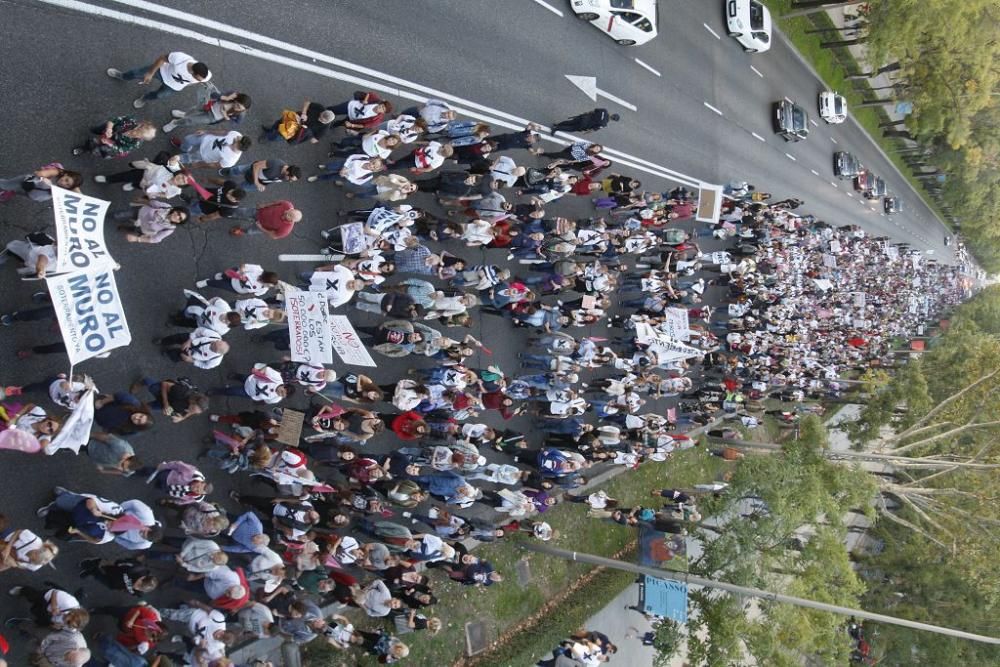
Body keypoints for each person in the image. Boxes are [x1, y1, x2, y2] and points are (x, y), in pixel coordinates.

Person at [107, 51, 212, 108]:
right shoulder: (180, 58)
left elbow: (194, 82)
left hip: (174, 86)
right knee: (136, 73)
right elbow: (162, 58)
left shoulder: (205, 76)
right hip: (162, 72)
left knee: (159, 95)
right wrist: (150, 73)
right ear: (192, 72)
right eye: (196, 78)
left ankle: (144, 98)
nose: (198, 80)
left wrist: (184, 85)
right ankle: (122, 76)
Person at [163, 89, 252, 132]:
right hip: (209, 105)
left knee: (191, 120)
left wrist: (225, 115)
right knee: (193, 110)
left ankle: (174, 123)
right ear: (236, 99)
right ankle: (183, 114)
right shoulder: (232, 95)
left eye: (240, 108)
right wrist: (226, 97)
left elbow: (235, 123)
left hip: (212, 117)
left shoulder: (241, 114)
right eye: (237, 104)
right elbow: (213, 95)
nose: (237, 108)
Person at [72, 116, 156, 158]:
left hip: (113, 142)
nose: (135, 133)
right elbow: (114, 120)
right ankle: (96, 131)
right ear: (140, 124)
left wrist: (110, 144)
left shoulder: (135, 143)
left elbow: (122, 149)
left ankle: (84, 149)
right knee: (98, 130)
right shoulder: (130, 121)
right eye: (138, 129)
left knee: (95, 145)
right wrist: (109, 129)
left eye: (139, 135)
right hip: (111, 130)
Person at [0, 163, 82, 202]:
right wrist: (44, 178)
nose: (64, 183)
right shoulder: (57, 172)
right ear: (66, 174)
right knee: (7, 185)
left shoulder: (70, 186)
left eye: (67, 185)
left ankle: (12, 192)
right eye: (66, 180)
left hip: (36, 194)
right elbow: (40, 173)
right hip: (28, 182)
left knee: (21, 192)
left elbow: (78, 193)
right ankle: (6, 188)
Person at [115, 201, 190, 244]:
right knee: (118, 215)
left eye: (180, 219)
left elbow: (156, 239)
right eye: (179, 213)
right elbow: (152, 202)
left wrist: (137, 239)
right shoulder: (167, 207)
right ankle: (117, 218)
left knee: (132, 229)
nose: (177, 217)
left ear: (179, 222)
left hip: (142, 228)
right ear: (176, 210)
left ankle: (124, 227)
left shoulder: (169, 229)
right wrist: (156, 207)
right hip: (139, 212)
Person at [176, 129, 252, 169]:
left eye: (238, 139)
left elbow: (214, 165)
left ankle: (175, 160)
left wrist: (198, 164)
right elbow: (223, 132)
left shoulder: (230, 160)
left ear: (239, 145)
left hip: (203, 155)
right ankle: (184, 148)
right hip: (206, 138)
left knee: (189, 158)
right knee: (188, 139)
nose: (237, 136)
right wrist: (206, 131)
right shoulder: (236, 134)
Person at [230, 200, 302, 239]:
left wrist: (261, 228)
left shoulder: (286, 229)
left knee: (249, 231)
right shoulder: (288, 205)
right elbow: (275, 202)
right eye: (290, 210)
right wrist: (263, 205)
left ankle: (240, 231)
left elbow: (274, 236)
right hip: (259, 212)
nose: (286, 211)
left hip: (261, 226)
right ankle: (229, 212)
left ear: (291, 221)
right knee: (243, 212)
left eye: (289, 215)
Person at [219, 159, 301, 192]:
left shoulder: (285, 176)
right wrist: (256, 182)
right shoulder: (275, 164)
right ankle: (229, 172)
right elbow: (256, 166)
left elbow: (273, 179)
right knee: (239, 170)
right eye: (290, 178)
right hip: (253, 172)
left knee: (241, 188)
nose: (289, 181)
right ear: (287, 172)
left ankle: (228, 188)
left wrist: (262, 185)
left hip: (260, 182)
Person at [550, 107, 619, 134]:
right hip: (584, 125)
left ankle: (557, 124)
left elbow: (593, 111)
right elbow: (593, 129)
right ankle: (556, 129)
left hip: (584, 117)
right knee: (571, 128)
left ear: (612, 114)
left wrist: (585, 114)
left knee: (570, 122)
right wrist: (586, 133)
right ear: (613, 120)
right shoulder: (604, 124)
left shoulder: (604, 110)